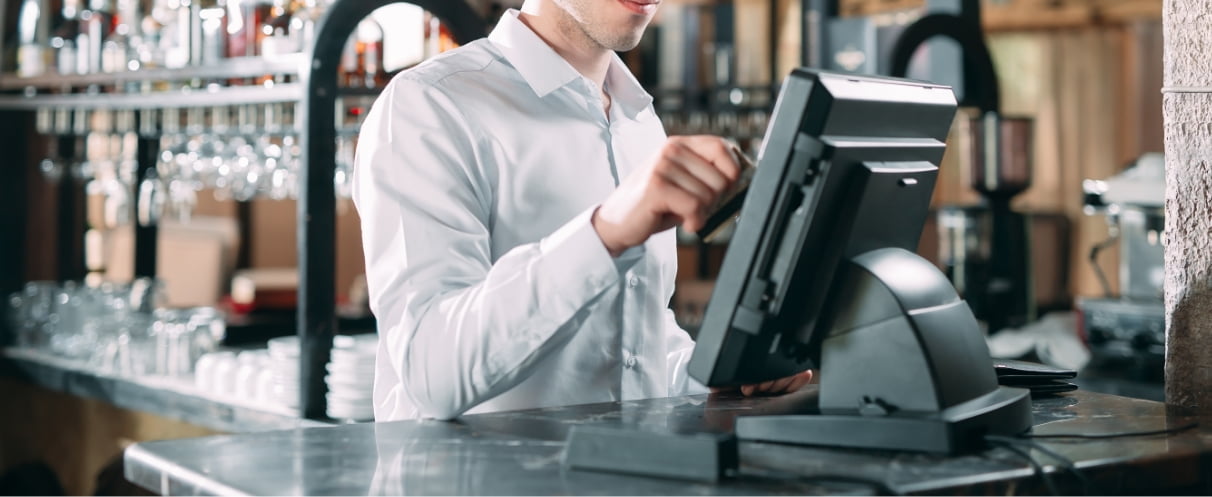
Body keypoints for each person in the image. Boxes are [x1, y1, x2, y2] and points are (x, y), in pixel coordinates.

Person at [352, 0, 813, 422]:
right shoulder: (430, 105)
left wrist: (713, 375)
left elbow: (632, 346)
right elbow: (431, 374)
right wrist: (607, 230)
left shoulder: (639, 121)